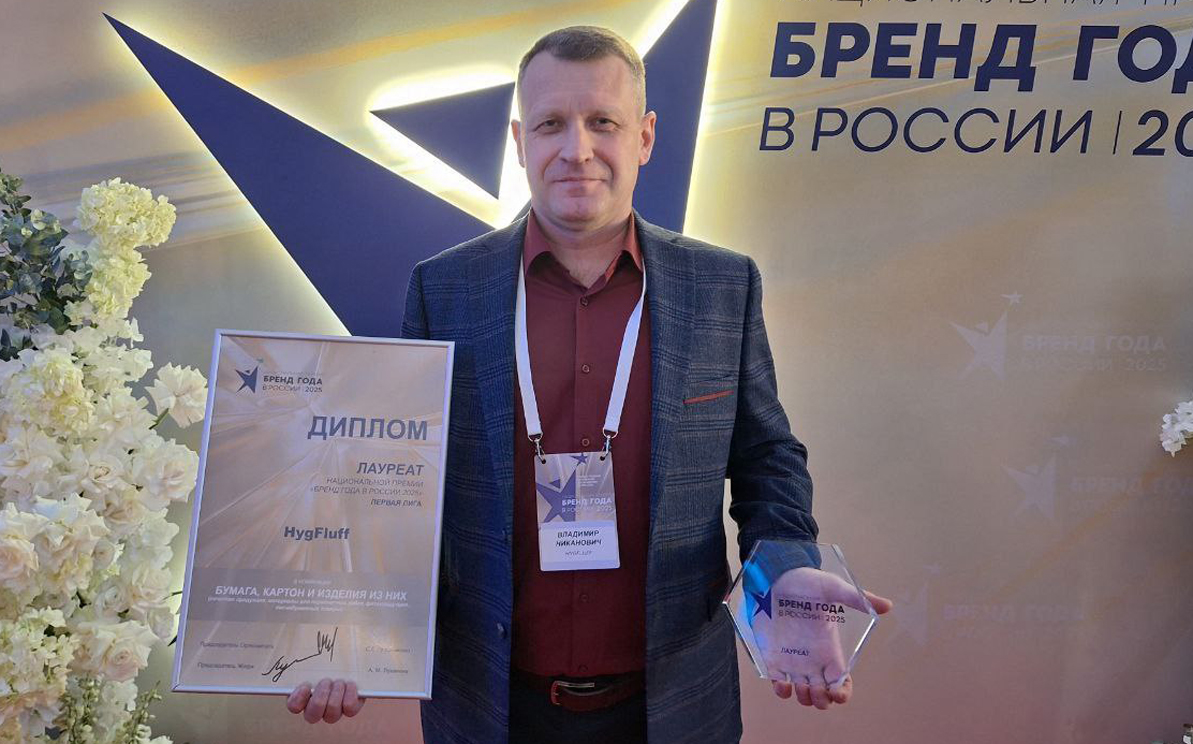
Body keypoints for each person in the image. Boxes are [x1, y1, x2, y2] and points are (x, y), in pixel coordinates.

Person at [286, 25, 892, 742]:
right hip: (489, 705)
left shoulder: (723, 285)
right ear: (520, 142)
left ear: (645, 137)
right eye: (551, 124)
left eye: (603, 122)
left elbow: (766, 458)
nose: (576, 150)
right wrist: (348, 624)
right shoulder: (443, 289)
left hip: (674, 705)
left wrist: (785, 568)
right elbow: (390, 480)